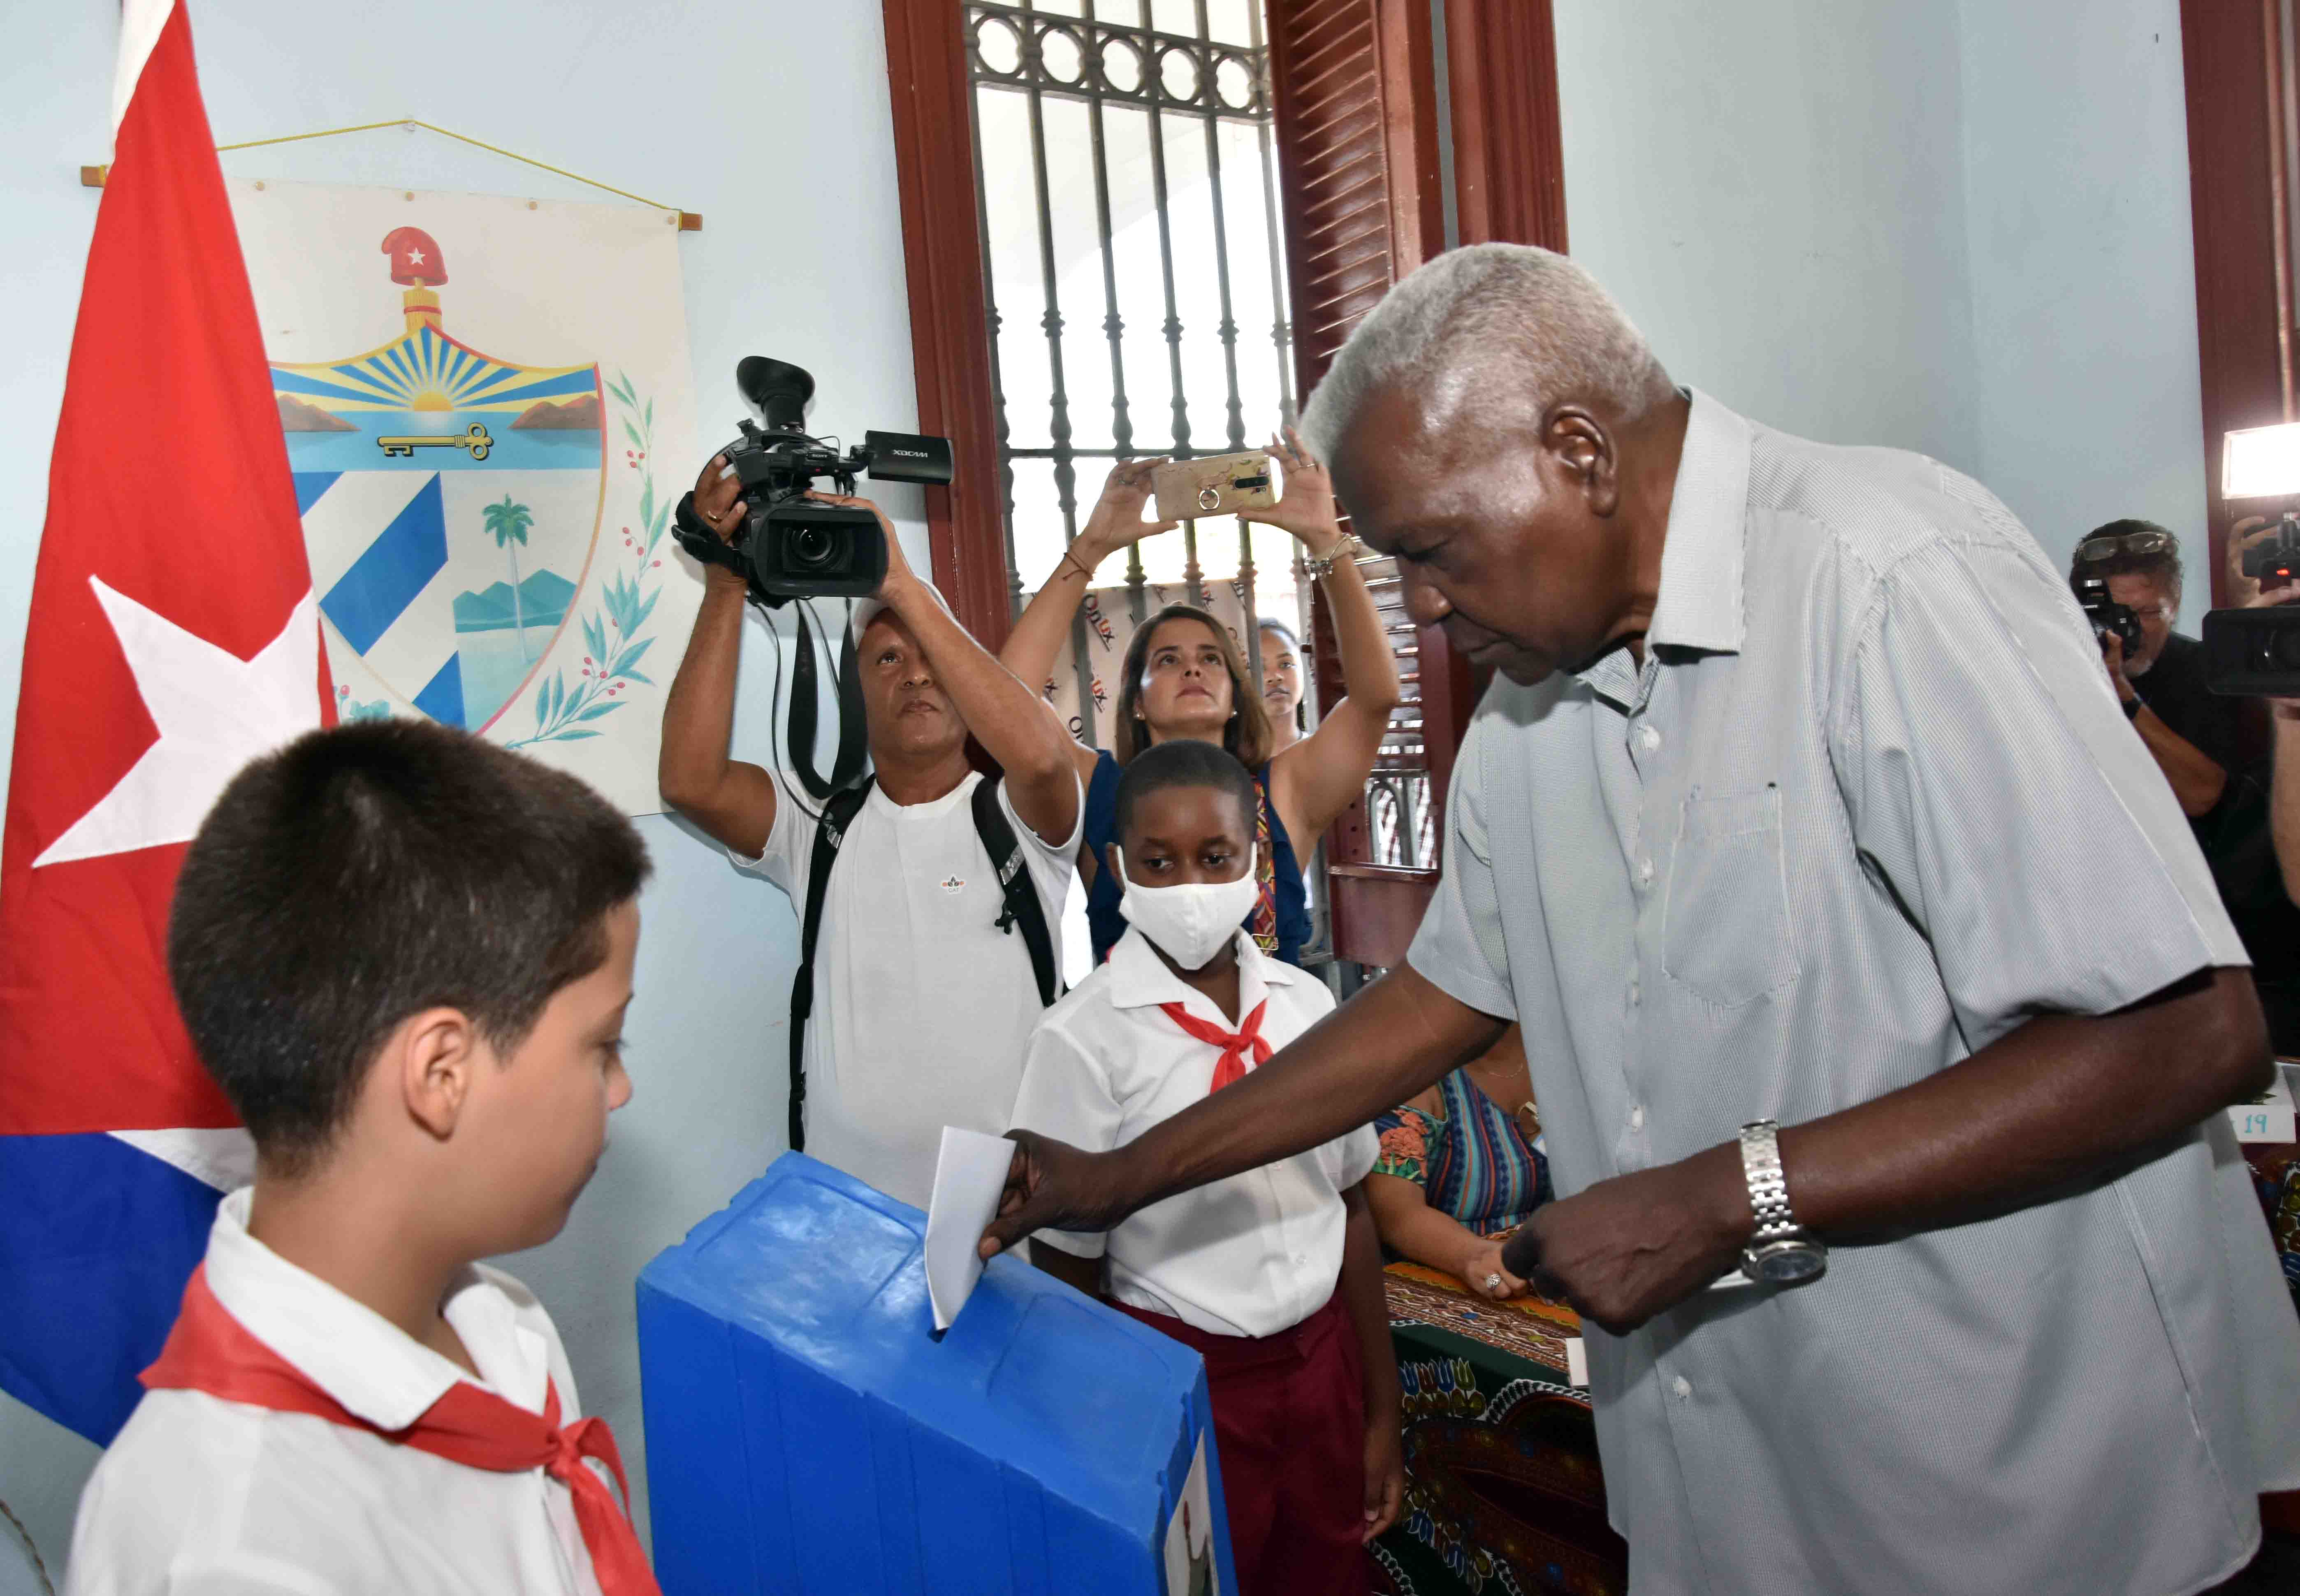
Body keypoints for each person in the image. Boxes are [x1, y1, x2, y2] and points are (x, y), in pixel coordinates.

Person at [983, 244, 2300, 1594]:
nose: (1427, 608)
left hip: (2008, 1475)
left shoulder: (1885, 575)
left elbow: (2187, 1031)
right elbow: (1432, 1008)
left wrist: (1729, 1195)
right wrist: (1118, 1173)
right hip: (1736, 1488)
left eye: (1433, 551)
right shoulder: (1526, 715)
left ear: (1579, 452)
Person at [67, 720, 656, 1595]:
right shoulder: (238, 1552)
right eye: (603, 1044)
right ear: (441, 1072)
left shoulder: (502, 1326)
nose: (620, 1090)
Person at [1008, 739, 1403, 1591]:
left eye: (1214, 856)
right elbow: (1067, 1276)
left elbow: (1354, 1208)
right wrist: (1103, 1450)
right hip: (1185, 1380)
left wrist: (1382, 1413)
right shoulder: (1082, 1037)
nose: (1189, 884)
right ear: (1117, 867)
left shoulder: (1310, 1008)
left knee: (1328, 1572)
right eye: (1158, 860)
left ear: (1256, 863)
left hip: (1323, 1360)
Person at [660, 465, 1081, 1209]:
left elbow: (1045, 756)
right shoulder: (818, 827)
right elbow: (690, 782)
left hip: (1007, 1221)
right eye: (888, 659)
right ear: (858, 686)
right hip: (842, 1225)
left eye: (929, 660)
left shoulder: (1020, 821)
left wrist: (902, 590)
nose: (915, 677)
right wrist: (727, 580)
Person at [999, 433, 1402, 965]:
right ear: (1135, 702)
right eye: (1167, 660)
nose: (1192, 666)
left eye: (1212, 658)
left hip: (1275, 1048)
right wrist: (1091, 547)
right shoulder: (1096, 790)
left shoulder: (1284, 790)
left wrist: (1326, 540)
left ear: (1237, 696)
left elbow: (1375, 698)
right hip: (1128, 1047)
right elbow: (1007, 703)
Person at [2072, 520, 2250, 816]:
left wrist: (2122, 694)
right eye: (2116, 614)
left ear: (2176, 603)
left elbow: (2202, 796)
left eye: (2149, 612)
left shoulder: (2208, 669)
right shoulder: (2059, 669)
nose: (2133, 628)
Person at [1367, 1024, 1552, 1299]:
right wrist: (1475, 1256)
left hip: (1552, 1279)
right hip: (1446, 1287)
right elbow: (1395, 1213)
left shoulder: (1563, 1062)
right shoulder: (1417, 1074)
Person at [1258, 617, 1308, 755]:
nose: (1274, 677)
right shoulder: (1227, 762)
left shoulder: (1324, 754)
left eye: (1286, 665)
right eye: (1260, 668)